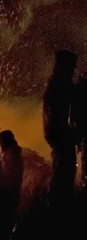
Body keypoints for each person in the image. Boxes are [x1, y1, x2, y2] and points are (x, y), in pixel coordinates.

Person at [43, 50, 77, 203]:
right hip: (60, 134)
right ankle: (58, 203)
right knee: (64, 170)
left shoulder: (55, 83)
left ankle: (56, 201)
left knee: (62, 168)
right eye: (72, 67)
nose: (73, 71)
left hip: (57, 133)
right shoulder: (59, 85)